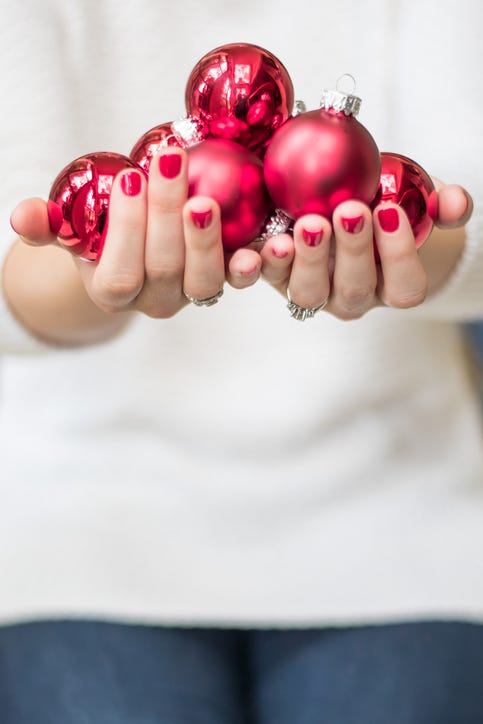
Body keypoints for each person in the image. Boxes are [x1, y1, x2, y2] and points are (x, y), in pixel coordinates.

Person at [1, 0, 483, 722]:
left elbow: (467, 225)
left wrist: (401, 244)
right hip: (88, 508)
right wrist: (90, 279)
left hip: (390, 506)